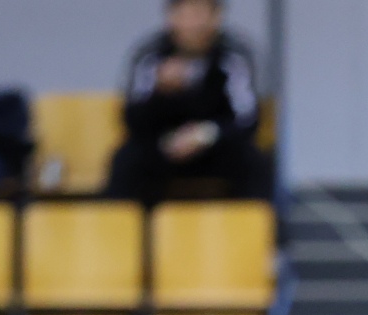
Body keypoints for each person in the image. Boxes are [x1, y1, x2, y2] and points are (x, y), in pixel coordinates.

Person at [109, 0, 269, 203]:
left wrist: (204, 135)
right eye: (186, 14)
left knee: (255, 162)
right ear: (171, 18)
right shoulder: (151, 55)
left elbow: (247, 118)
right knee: (127, 160)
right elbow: (132, 118)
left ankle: (253, 223)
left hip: (216, 146)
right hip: (162, 146)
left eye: (200, 14)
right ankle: (125, 222)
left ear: (216, 17)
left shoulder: (234, 55)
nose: (194, 24)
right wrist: (159, 92)